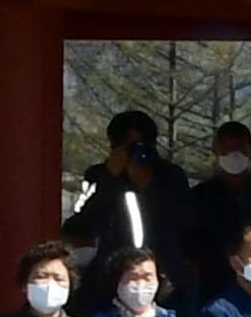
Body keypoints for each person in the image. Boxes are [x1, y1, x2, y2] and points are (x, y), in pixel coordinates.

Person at [66, 108, 187, 277]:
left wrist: (148, 186)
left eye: (142, 147)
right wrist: (110, 179)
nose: (136, 154)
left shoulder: (170, 176)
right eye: (129, 148)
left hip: (163, 270)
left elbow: (183, 222)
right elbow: (80, 226)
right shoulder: (98, 175)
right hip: (111, 271)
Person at [181, 120, 251, 282]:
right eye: (228, 150)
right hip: (213, 279)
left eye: (240, 150)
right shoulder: (200, 196)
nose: (234, 155)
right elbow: (190, 244)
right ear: (217, 153)